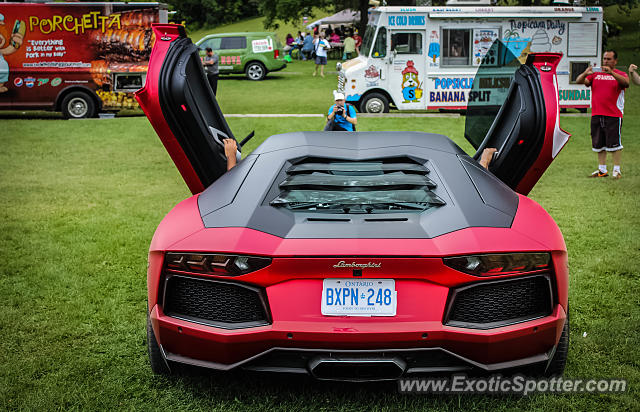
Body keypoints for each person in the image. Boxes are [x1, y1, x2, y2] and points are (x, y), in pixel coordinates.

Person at [576, 50, 629, 179]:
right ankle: (602, 170)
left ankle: (617, 171)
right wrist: (585, 73)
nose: (606, 61)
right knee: (599, 143)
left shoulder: (620, 74)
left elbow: (626, 83)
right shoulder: (596, 74)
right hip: (597, 113)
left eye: (609, 59)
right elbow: (579, 81)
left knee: (615, 144)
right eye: (604, 59)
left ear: (615, 61)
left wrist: (611, 73)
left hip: (613, 114)